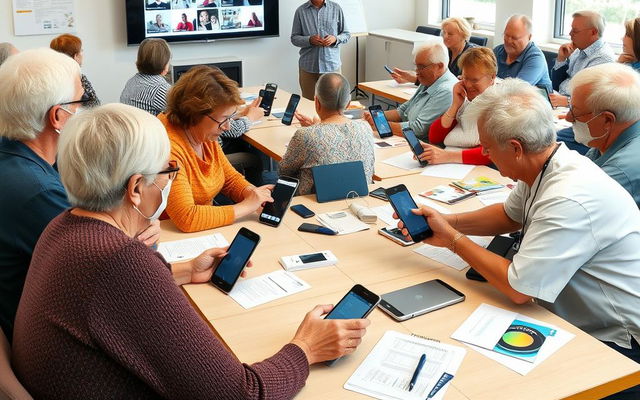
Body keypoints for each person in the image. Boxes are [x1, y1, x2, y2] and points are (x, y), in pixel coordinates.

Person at [12, 104, 370, 399]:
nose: (170, 179)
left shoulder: (63, 227)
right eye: (168, 171)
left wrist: (183, 271)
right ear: (136, 188)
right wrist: (307, 348)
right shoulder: (119, 261)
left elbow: (108, 303)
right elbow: (240, 395)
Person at [398, 79, 640, 397]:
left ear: (515, 148)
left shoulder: (568, 197)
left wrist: (453, 239)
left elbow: (517, 288)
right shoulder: (546, 163)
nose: (483, 152)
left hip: (615, 340)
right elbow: (509, 215)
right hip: (573, 315)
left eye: (487, 146)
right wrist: (446, 220)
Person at [0, 49, 84, 341]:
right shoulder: (38, 192)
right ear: (58, 116)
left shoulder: (13, 154)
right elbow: (107, 270)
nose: (82, 111)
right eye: (80, 102)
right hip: (42, 344)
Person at [158, 65, 274, 232]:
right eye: (224, 119)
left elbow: (228, 178)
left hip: (205, 230)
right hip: (172, 236)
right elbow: (187, 218)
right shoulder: (168, 147)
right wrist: (247, 206)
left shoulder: (204, 132)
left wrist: (252, 193)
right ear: (195, 114)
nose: (227, 127)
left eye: (231, 118)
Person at [279, 73, 375, 195]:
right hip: (358, 201)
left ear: (316, 101)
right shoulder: (365, 128)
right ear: (348, 104)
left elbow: (283, 170)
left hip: (313, 206)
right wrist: (316, 127)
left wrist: (314, 129)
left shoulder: (305, 135)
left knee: (269, 178)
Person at [566, 63, 640, 207]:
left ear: (607, 120)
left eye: (575, 112)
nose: (568, 118)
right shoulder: (610, 138)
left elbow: (571, 210)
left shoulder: (618, 172)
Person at [418, 47, 497, 165]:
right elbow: (434, 137)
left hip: (476, 169)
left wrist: (446, 156)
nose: (468, 85)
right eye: (465, 78)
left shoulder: (499, 105)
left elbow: (494, 152)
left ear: (492, 78)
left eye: (474, 80)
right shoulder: (465, 101)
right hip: (452, 163)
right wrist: (455, 105)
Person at [364, 42, 457, 140]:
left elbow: (418, 129)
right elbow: (403, 111)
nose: (417, 72)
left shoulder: (447, 91)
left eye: (421, 67)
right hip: (409, 139)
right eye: (416, 66)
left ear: (439, 66)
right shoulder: (429, 80)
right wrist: (374, 116)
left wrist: (381, 125)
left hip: (423, 145)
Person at [291, 0, 351, 100]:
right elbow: (294, 38)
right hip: (308, 68)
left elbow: (346, 34)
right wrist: (309, 40)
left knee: (334, 104)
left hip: (331, 66)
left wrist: (335, 39)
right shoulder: (300, 11)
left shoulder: (336, 8)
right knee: (309, 104)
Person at [550, 10, 614, 107]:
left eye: (575, 31)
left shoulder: (603, 59)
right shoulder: (578, 49)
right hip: (559, 99)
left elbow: (592, 100)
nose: (570, 34)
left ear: (593, 32)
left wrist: (568, 101)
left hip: (575, 108)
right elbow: (556, 84)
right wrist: (561, 59)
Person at [390, 16, 475, 83]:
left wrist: (414, 79)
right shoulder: (444, 50)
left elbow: (455, 83)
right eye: (444, 33)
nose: (445, 37)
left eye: (450, 34)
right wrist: (409, 79)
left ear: (463, 35)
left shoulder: (471, 56)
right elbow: (435, 78)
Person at [493, 15, 551, 90]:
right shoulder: (498, 51)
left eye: (514, 38)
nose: (509, 41)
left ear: (529, 37)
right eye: (506, 35)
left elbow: (517, 90)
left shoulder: (536, 59)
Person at [120, 38, 171, 116]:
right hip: (148, 128)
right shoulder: (160, 89)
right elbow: (184, 114)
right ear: (164, 63)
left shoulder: (132, 81)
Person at [50, 33, 100, 107]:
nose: (82, 54)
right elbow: (95, 106)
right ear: (76, 56)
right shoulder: (79, 78)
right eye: (81, 51)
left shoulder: (49, 78)